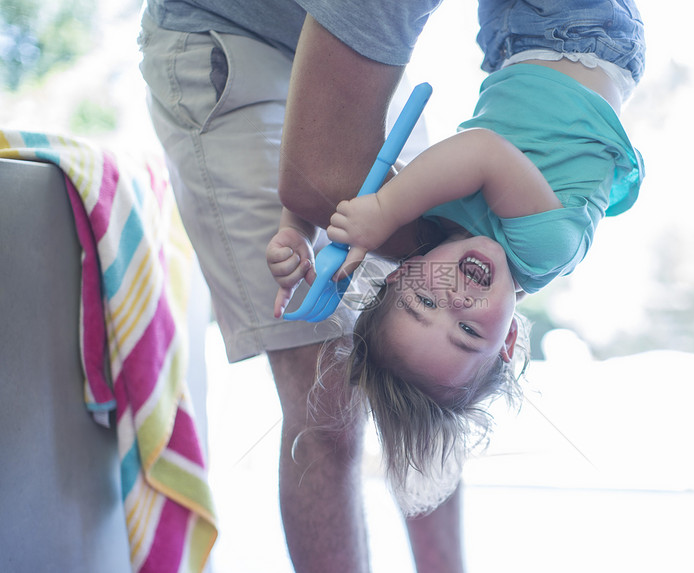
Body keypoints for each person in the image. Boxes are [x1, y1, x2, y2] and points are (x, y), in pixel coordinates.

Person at [269, 0, 646, 515]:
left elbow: (345, 190)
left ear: (403, 272)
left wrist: (299, 229)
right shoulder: (543, 252)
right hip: (580, 33)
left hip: (514, 46)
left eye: (424, 299)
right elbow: (482, 151)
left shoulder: (444, 230)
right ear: (510, 340)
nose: (457, 301)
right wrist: (381, 210)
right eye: (470, 333)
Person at [138, 1, 466, 571]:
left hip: (364, 54)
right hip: (238, 41)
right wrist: (298, 226)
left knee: (433, 373)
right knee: (327, 402)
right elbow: (313, 181)